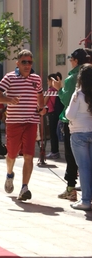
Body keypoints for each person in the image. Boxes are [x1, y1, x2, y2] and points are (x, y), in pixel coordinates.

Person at [0, 49, 46, 201]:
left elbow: (40, 95)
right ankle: (9, 174)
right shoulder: (9, 78)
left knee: (29, 156)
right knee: (12, 154)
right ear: (18, 63)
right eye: (24, 62)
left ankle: (24, 188)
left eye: (29, 62)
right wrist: (9, 100)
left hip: (31, 122)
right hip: (14, 122)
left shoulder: (36, 79)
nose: (27, 65)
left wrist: (41, 108)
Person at [53, 48, 90, 201]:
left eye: (71, 59)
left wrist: (59, 89)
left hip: (75, 126)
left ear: (75, 60)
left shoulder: (72, 80)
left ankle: (71, 188)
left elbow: (67, 104)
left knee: (74, 159)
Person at [65, 63, 92, 210]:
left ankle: (86, 200)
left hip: (79, 133)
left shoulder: (78, 94)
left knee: (84, 168)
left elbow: (69, 114)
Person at [44, 72, 64, 159]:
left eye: (48, 80)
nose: (47, 82)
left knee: (53, 134)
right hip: (58, 113)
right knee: (57, 133)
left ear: (51, 81)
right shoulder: (60, 90)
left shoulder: (50, 91)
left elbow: (43, 102)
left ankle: (54, 152)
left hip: (52, 113)